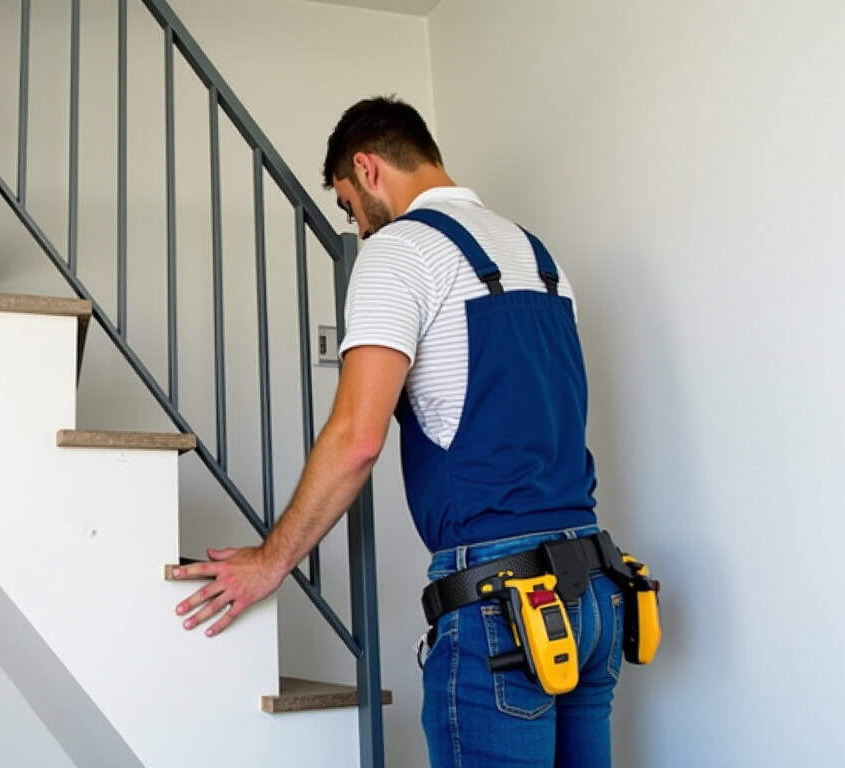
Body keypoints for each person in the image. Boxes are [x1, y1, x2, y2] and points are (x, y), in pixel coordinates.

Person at [171, 96, 625, 767]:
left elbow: (358, 436)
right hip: (592, 591)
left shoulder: (398, 253)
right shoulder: (535, 254)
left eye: (347, 205)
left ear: (367, 168)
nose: (354, 227)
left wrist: (273, 561)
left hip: (503, 602)